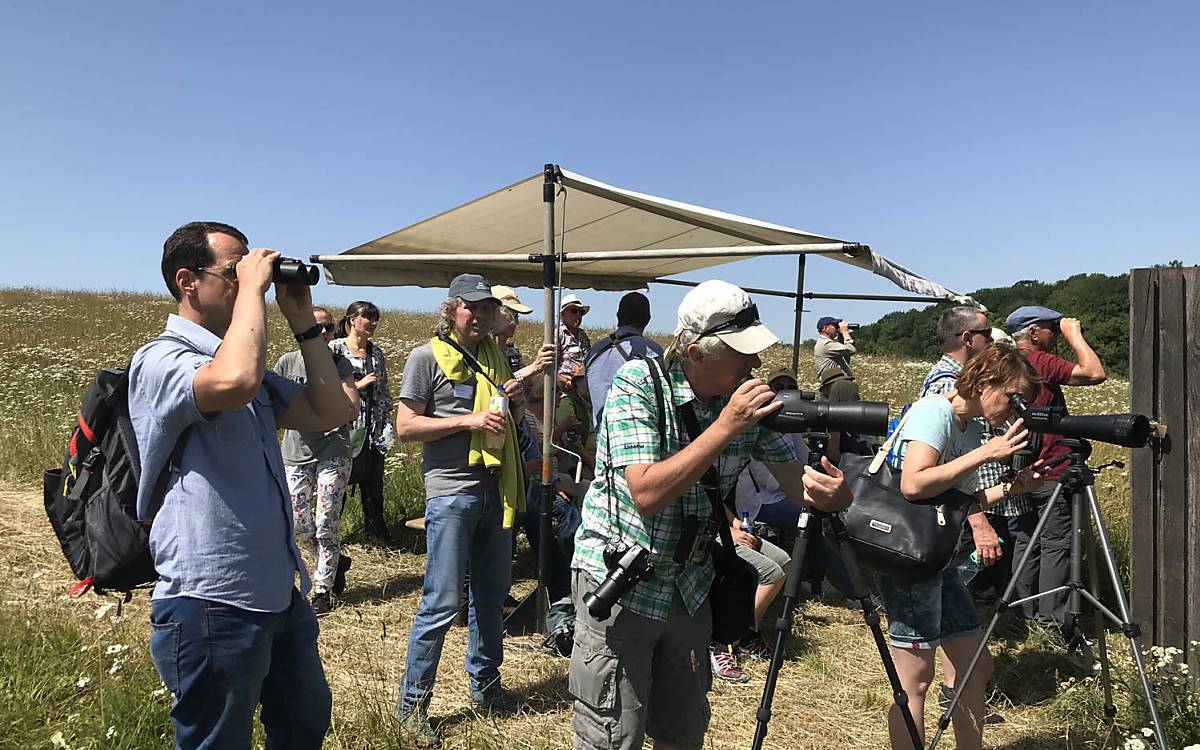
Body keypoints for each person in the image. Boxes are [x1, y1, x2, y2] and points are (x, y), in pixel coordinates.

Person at [569, 279, 853, 750]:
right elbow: (645, 492)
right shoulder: (639, 385)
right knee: (613, 733)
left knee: (684, 731)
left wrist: (831, 496)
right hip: (623, 584)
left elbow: (797, 487)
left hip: (690, 586)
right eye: (742, 354)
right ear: (696, 353)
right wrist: (725, 428)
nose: (755, 364)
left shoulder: (742, 403)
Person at [130, 221, 354, 749]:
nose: (248, 278)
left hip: (276, 590)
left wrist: (302, 319)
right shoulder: (163, 360)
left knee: (303, 724)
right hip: (211, 596)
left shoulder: (242, 363)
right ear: (188, 282)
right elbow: (235, 382)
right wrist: (255, 291)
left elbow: (331, 410)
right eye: (234, 271)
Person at [884, 344, 1044, 749]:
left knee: (975, 668)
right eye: (1012, 397)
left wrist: (1016, 486)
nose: (1014, 409)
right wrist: (986, 453)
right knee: (915, 680)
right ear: (986, 380)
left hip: (940, 556)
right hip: (911, 557)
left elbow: (961, 504)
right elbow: (914, 484)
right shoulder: (934, 412)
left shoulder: (971, 427)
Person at [393, 273, 527, 744]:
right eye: (472, 307)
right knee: (443, 600)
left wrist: (517, 402)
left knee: (490, 596)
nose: (481, 315)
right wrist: (470, 419)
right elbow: (405, 427)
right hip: (451, 491)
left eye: (488, 308)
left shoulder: (496, 356)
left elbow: (511, 413)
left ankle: (487, 687)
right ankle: (411, 708)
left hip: (496, 488)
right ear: (452, 310)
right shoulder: (425, 358)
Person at [1006, 305, 1106, 636]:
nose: (1055, 333)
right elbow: (1094, 373)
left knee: (1026, 538)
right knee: (1055, 544)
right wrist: (1074, 334)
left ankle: (1025, 612)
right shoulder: (1040, 361)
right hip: (1051, 469)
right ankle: (1052, 621)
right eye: (1051, 327)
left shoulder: (1008, 364)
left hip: (1020, 469)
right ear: (1033, 333)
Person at [276, 306, 361, 614]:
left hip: (333, 450)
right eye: (316, 326)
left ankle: (322, 587)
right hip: (296, 452)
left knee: (327, 522)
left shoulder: (339, 364)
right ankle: (336, 561)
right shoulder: (286, 363)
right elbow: (273, 406)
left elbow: (352, 406)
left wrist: (327, 406)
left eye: (327, 328)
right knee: (298, 523)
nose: (322, 333)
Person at [330, 301, 395, 543]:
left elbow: (384, 391)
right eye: (368, 317)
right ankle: (332, 533)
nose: (373, 323)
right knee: (339, 482)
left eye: (375, 318)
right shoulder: (334, 349)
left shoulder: (377, 353)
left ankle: (377, 533)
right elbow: (325, 387)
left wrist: (387, 422)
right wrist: (357, 386)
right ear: (352, 320)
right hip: (345, 427)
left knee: (374, 484)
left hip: (372, 428)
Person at [585, 291, 664, 428]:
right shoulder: (653, 351)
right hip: (638, 440)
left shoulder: (594, 352)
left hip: (602, 441)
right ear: (648, 319)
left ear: (618, 316)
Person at [491, 284, 555, 384]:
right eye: (513, 315)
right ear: (495, 311)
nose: (516, 323)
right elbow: (499, 382)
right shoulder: (482, 348)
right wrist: (534, 367)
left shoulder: (511, 352)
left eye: (517, 317)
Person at [555, 368, 596, 482]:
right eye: (587, 380)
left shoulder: (594, 403)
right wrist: (591, 461)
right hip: (579, 465)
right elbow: (571, 442)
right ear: (577, 383)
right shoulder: (568, 403)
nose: (591, 383)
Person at [813, 316, 859, 401]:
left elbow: (846, 358)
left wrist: (842, 337)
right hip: (834, 386)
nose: (837, 328)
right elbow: (851, 350)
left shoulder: (828, 344)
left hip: (835, 385)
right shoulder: (825, 344)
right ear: (825, 328)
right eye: (834, 325)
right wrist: (845, 333)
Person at [557, 293, 592, 387]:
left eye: (581, 312)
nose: (578, 315)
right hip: (564, 389)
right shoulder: (558, 334)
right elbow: (550, 368)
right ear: (563, 314)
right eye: (574, 311)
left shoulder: (583, 335)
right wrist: (567, 382)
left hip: (583, 386)